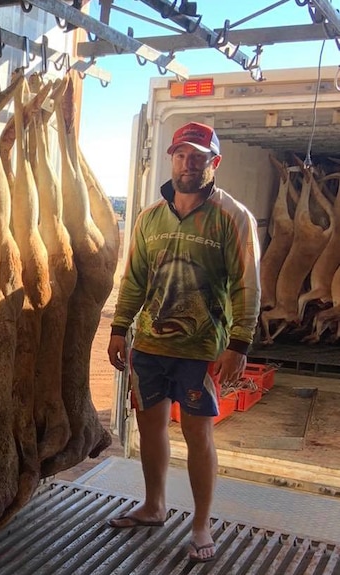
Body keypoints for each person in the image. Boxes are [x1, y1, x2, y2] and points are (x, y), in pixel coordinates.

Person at [106, 122, 261, 563]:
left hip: (202, 351)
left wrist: (239, 343)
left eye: (197, 157)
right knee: (150, 426)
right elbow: (134, 279)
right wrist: (120, 328)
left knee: (198, 434)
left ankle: (200, 524)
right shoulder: (149, 218)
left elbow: (247, 286)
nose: (187, 164)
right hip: (151, 345)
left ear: (214, 162)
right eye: (180, 155)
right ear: (171, 158)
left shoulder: (233, 217)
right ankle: (155, 506)